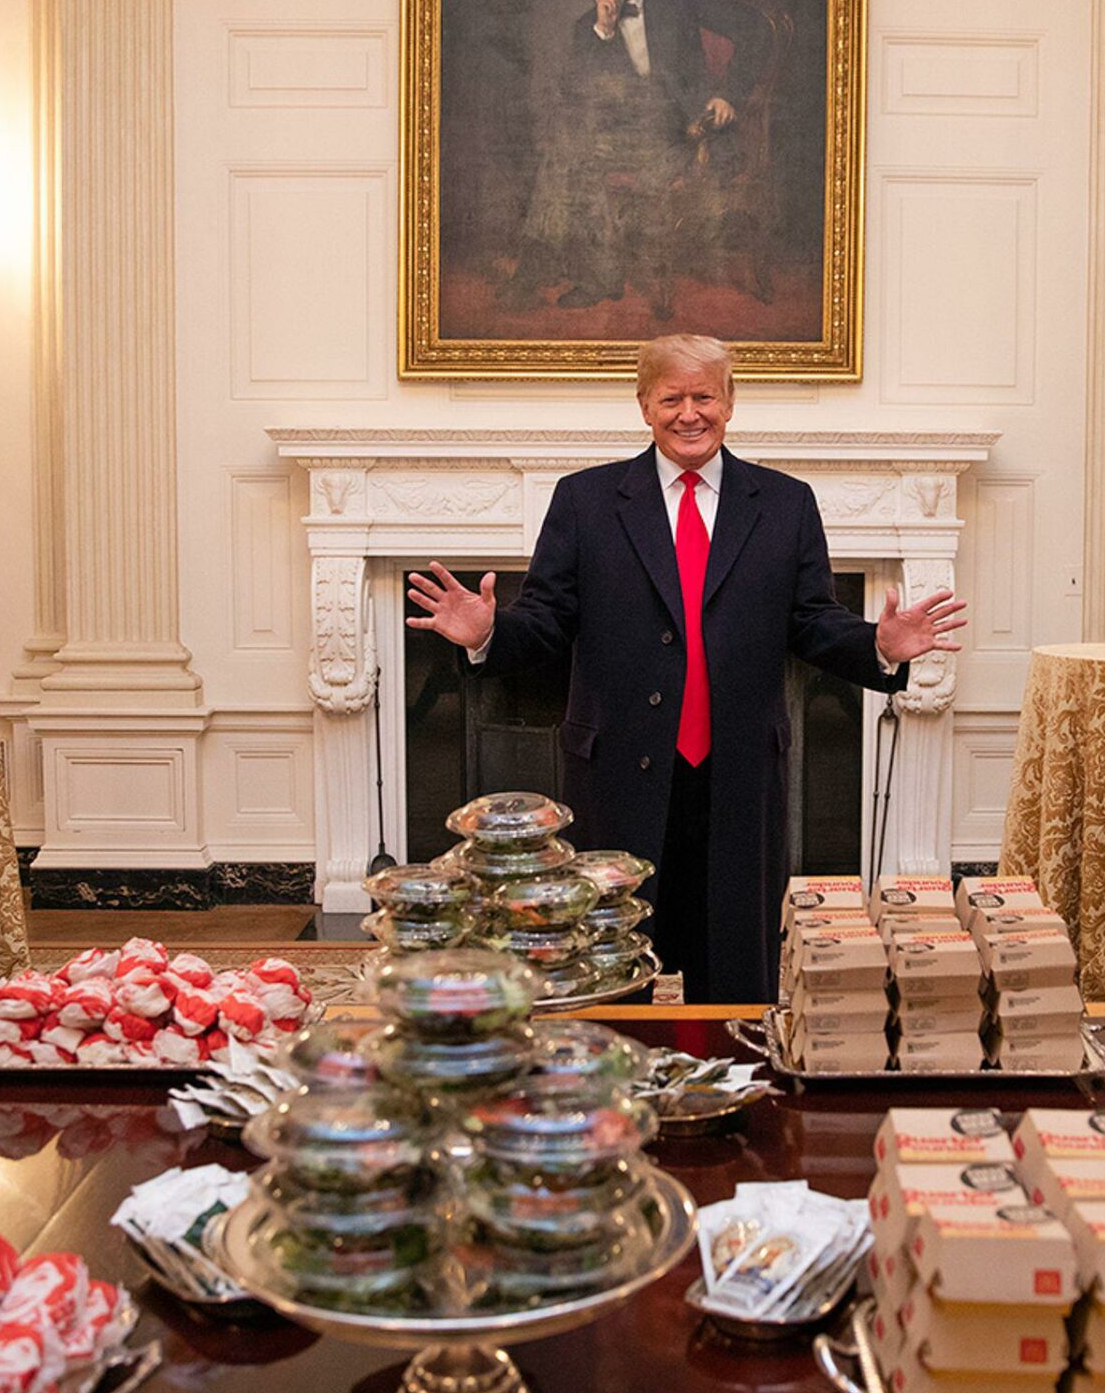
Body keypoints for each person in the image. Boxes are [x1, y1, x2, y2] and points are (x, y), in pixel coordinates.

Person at [407, 334, 966, 1002]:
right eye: (672, 398)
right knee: (612, 961)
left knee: (735, 968)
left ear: (729, 403)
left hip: (739, 772)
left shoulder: (785, 505)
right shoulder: (585, 502)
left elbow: (812, 622)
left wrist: (879, 643)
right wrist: (489, 633)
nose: (689, 413)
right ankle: (620, 1088)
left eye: (705, 396)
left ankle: (730, 1085)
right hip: (617, 770)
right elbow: (548, 623)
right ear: (644, 405)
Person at [501, 0, 774, 318]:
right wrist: (605, 34)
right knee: (567, 147)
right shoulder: (587, 27)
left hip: (686, 134)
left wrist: (727, 93)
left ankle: (570, 274)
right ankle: (573, 272)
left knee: (570, 148)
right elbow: (579, 98)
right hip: (625, 137)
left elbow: (756, 29)